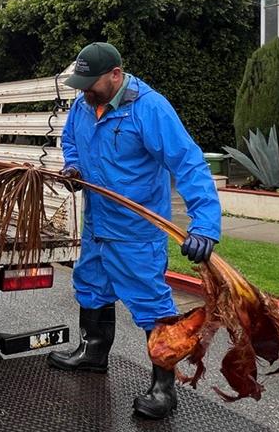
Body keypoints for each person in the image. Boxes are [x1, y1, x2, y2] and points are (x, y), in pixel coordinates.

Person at [47, 42, 221, 420]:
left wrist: (205, 224)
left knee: (151, 304)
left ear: (116, 75)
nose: (84, 91)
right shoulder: (82, 105)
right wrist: (73, 169)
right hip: (97, 224)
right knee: (91, 287)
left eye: (91, 83)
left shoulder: (150, 109)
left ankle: (163, 388)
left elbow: (189, 164)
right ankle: (93, 353)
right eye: (81, 84)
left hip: (136, 231)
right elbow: (71, 141)